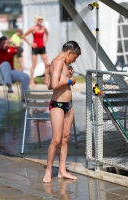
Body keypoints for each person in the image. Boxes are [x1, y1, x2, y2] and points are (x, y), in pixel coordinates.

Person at [43, 41, 81, 183]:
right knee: (56, 140)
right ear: (69, 52)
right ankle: (48, 171)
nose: (74, 61)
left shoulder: (62, 64)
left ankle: (62, 171)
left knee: (65, 139)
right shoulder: (58, 62)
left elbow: (49, 84)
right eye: (75, 57)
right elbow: (54, 85)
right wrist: (70, 81)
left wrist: (67, 76)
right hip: (58, 105)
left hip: (68, 105)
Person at [0, 36, 30, 102]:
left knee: (25, 76)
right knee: (5, 64)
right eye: (4, 43)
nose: (6, 45)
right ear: (0, 43)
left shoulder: (10, 49)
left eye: (7, 43)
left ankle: (25, 99)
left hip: (9, 72)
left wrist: (13, 42)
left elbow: (21, 50)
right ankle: (9, 85)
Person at [22, 14, 49, 87]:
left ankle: (46, 79)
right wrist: (30, 44)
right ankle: (31, 81)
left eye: (41, 20)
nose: (41, 21)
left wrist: (45, 42)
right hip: (35, 48)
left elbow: (47, 34)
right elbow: (23, 36)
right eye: (39, 20)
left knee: (46, 64)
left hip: (42, 47)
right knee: (34, 64)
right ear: (36, 21)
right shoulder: (33, 29)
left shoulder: (44, 28)